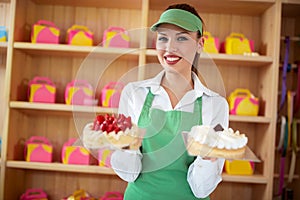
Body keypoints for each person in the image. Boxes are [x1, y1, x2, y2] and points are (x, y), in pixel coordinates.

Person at [111, 3, 229, 200]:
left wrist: (209, 157)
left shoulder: (215, 105)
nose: (170, 47)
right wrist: (126, 146)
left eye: (182, 38)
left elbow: (202, 189)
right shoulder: (134, 93)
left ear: (200, 44)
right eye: (163, 38)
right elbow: (128, 174)